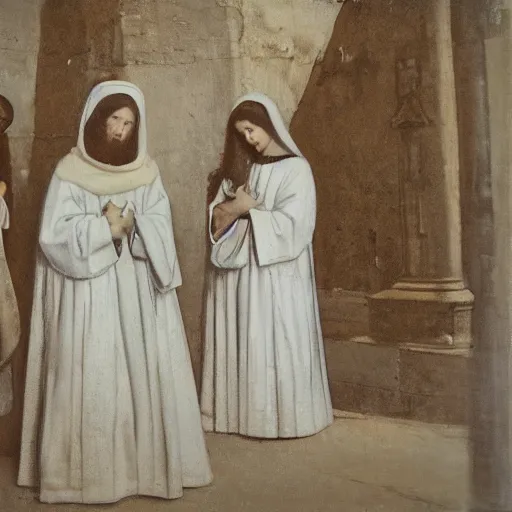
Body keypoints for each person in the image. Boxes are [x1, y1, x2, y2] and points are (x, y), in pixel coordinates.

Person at [17, 80, 212, 504]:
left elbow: (160, 222)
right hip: (85, 296)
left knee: (138, 375)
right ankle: (88, 479)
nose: (121, 130)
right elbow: (53, 236)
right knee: (92, 375)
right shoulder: (68, 172)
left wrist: (134, 224)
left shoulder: (146, 172)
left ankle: (142, 473)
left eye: (129, 123)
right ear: (95, 120)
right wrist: (104, 228)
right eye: (114, 120)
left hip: (136, 294)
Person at [200, 92, 333, 439]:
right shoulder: (238, 171)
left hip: (278, 277)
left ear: (269, 125)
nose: (249, 138)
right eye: (242, 132)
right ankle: (239, 418)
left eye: (252, 129)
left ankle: (283, 420)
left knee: (275, 344)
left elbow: (297, 226)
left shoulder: (296, 169)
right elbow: (215, 221)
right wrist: (235, 209)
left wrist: (246, 211)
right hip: (241, 277)